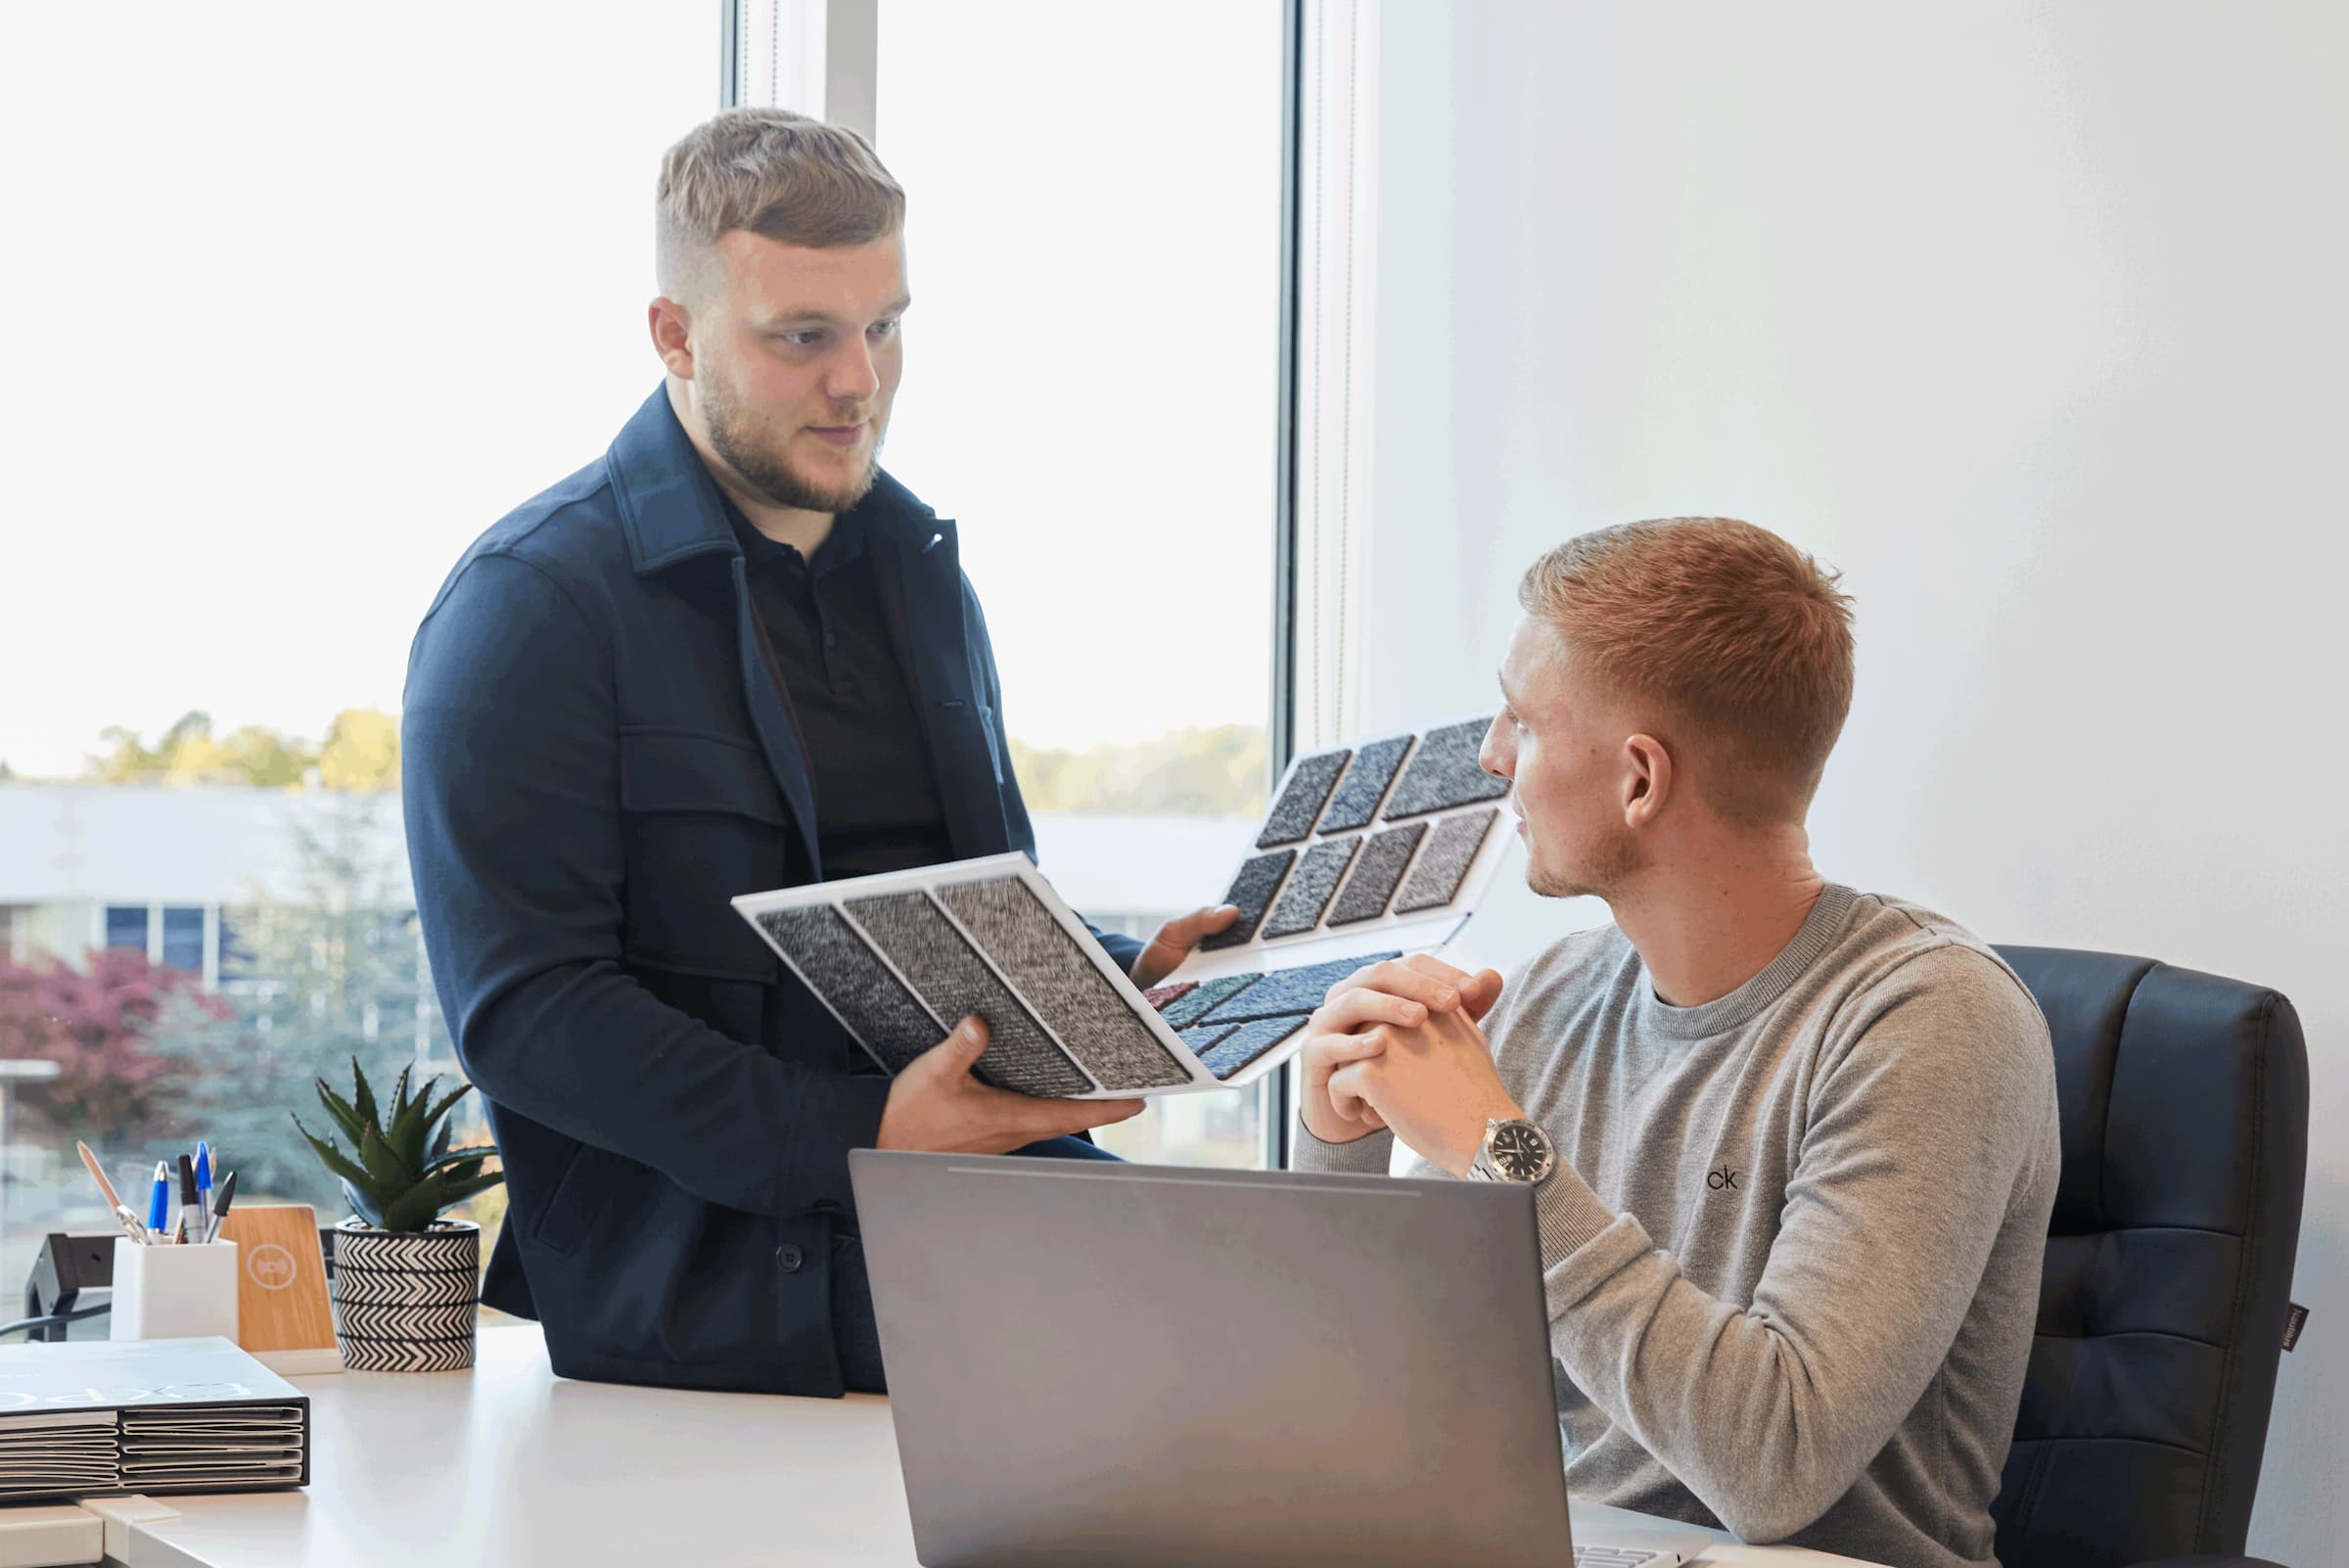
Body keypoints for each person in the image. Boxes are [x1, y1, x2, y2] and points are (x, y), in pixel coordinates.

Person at [402, 109, 1229, 1397]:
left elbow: (956, 917)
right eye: (804, 337)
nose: (861, 380)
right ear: (675, 334)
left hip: (969, 1212)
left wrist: (1127, 979)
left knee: (1294, 1289)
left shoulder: (924, 579)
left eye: (885, 325)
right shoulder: (529, 606)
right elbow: (529, 1015)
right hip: (710, 1280)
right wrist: (866, 1133)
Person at [1293, 518, 2058, 1568]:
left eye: (1522, 719)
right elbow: (1373, 1400)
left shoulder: (1930, 1020)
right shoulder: (1555, 995)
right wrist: (1336, 1142)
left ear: (1641, 780)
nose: (1492, 757)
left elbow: (1776, 1468)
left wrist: (1502, 1150)